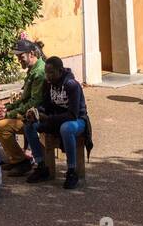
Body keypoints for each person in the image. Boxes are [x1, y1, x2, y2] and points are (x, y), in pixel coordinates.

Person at [24, 56, 93, 190]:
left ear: (60, 71)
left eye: (51, 73)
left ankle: (72, 171)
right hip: (55, 119)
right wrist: (36, 113)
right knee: (29, 126)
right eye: (46, 72)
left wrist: (48, 119)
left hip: (77, 121)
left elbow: (73, 114)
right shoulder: (48, 84)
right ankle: (41, 166)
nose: (48, 76)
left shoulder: (72, 85)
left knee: (66, 128)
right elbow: (46, 107)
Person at [0, 38, 45, 174]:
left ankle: (21, 161)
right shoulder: (32, 70)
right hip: (27, 113)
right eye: (18, 57)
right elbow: (24, 99)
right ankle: (15, 158)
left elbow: (34, 103)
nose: (19, 60)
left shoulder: (39, 73)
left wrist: (8, 114)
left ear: (31, 54)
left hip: (37, 116)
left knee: (1, 126)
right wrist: (7, 108)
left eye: (21, 57)